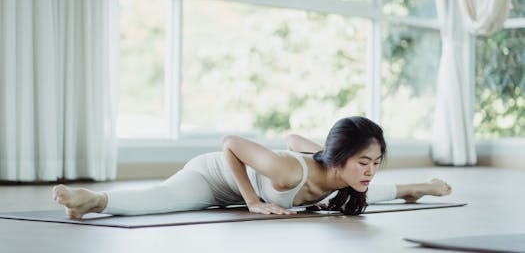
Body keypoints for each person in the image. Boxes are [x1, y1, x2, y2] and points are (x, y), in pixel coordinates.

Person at [52, 116, 452, 219]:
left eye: (376, 162)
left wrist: (333, 157)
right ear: (341, 159)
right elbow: (229, 144)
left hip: (306, 171)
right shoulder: (287, 172)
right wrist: (252, 201)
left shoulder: (338, 170)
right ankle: (93, 200)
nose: (370, 170)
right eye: (364, 162)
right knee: (167, 199)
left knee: (363, 192)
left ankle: (422, 187)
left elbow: (296, 139)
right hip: (214, 177)